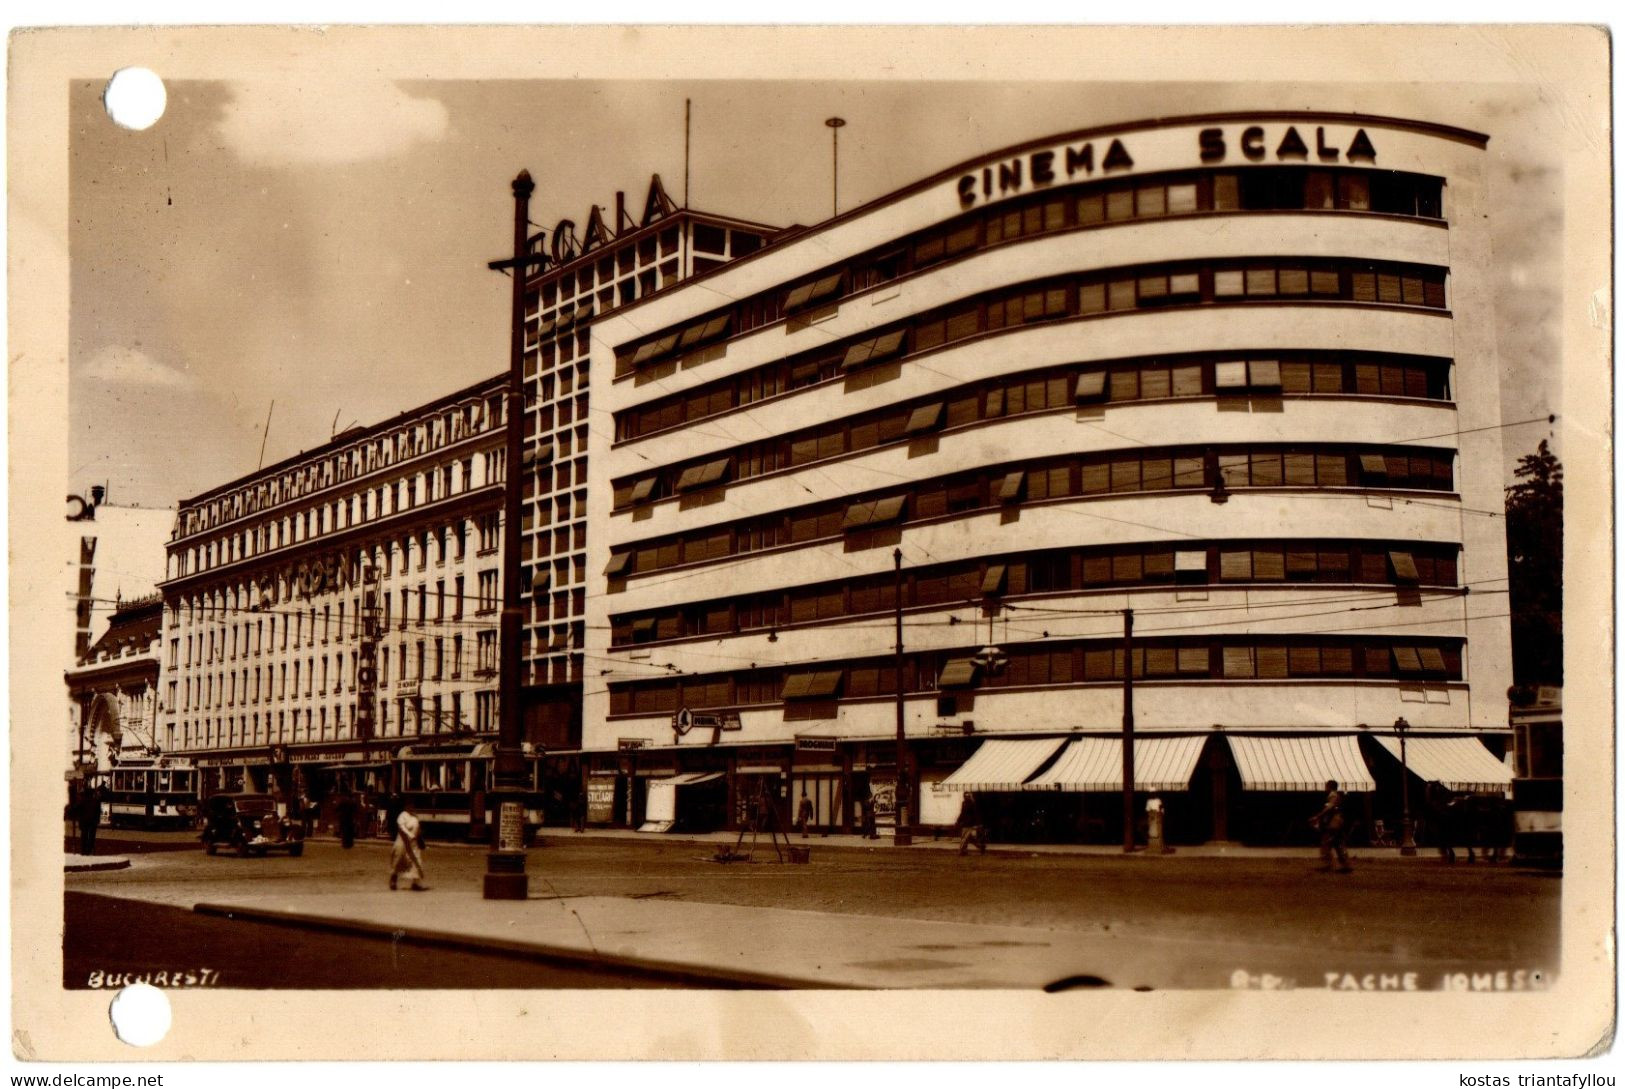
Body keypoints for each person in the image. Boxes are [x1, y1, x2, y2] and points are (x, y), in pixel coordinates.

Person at [1311, 779, 1352, 873]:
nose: (1325, 788)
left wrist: (1317, 816)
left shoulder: (1333, 795)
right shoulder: (1337, 795)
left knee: (1326, 843)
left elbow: (1330, 807)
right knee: (1338, 843)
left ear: (1330, 787)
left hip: (1334, 823)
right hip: (1338, 822)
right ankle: (1345, 865)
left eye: (1326, 786)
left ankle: (1328, 865)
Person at [389, 799, 427, 891]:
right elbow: (401, 827)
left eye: (412, 805)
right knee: (398, 862)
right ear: (405, 806)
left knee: (416, 861)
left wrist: (421, 840)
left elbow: (418, 829)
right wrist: (410, 834)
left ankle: (416, 883)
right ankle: (393, 879)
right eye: (409, 805)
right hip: (402, 842)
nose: (411, 807)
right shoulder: (402, 816)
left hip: (413, 844)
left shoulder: (415, 816)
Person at [957, 791, 987, 855]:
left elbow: (975, 814)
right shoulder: (964, 803)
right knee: (970, 839)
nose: (966, 797)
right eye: (965, 796)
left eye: (967, 796)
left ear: (970, 796)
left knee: (964, 838)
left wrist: (978, 823)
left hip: (970, 824)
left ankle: (962, 851)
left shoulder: (972, 804)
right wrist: (958, 820)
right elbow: (962, 813)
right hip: (965, 823)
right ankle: (981, 846)